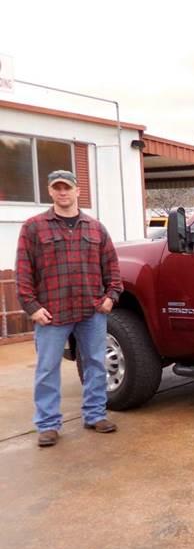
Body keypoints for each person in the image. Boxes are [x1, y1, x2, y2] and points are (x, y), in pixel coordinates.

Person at [15, 169, 123, 447]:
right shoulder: (33, 227)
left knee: (96, 365)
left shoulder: (96, 228)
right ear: (50, 192)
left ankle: (95, 414)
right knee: (47, 369)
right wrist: (31, 307)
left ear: (77, 191)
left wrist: (111, 296)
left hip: (91, 311)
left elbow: (111, 266)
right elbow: (24, 271)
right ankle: (48, 425)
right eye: (57, 188)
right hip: (51, 313)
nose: (63, 192)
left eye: (67, 188)